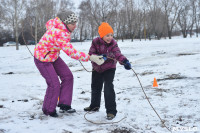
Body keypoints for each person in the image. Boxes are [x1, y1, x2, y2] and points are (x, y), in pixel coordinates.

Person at [34, 10, 104, 117]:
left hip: (53, 56)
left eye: (76, 23)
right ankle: (48, 109)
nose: (75, 26)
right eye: (72, 24)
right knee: (54, 84)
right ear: (65, 23)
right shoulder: (59, 33)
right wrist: (91, 57)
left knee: (68, 76)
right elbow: (71, 52)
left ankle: (64, 104)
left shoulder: (63, 30)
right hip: (42, 59)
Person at [84, 22, 132, 120]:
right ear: (102, 35)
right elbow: (91, 54)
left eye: (111, 35)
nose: (110, 37)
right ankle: (94, 106)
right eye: (107, 35)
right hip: (97, 68)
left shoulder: (113, 43)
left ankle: (111, 111)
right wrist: (99, 57)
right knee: (95, 87)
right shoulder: (95, 42)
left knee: (108, 87)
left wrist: (124, 61)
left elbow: (118, 54)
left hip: (110, 68)